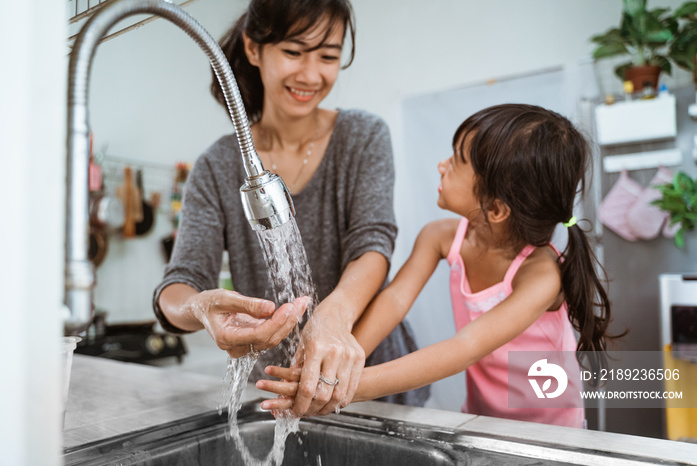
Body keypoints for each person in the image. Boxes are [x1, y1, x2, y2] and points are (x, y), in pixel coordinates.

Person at [257, 104, 620, 428]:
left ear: (495, 208)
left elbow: (466, 346)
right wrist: (336, 368)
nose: (441, 165)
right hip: (484, 420)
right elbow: (395, 301)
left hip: (552, 430)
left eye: (457, 160)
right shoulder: (441, 236)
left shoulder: (541, 274)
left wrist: (347, 388)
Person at [153, 0, 429, 417]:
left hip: (374, 381)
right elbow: (180, 285)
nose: (311, 74)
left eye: (328, 56)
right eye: (294, 51)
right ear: (253, 48)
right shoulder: (217, 166)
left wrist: (333, 316)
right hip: (278, 390)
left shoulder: (363, 137)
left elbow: (372, 245)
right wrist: (201, 310)